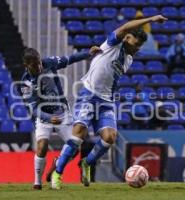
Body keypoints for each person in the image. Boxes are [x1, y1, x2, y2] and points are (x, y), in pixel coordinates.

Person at [51, 14, 167, 188]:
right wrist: (150, 20)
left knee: (109, 137)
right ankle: (58, 172)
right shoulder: (113, 44)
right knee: (79, 132)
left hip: (106, 101)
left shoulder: (128, 58)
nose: (137, 49)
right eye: (136, 44)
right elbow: (126, 26)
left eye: (139, 46)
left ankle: (87, 162)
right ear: (127, 38)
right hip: (88, 95)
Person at [18, 46, 101, 190]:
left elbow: (69, 59)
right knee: (42, 146)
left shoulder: (49, 63)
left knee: (75, 147)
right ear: (26, 65)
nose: (39, 66)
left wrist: (87, 54)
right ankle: (37, 182)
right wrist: (48, 118)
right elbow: (33, 109)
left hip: (62, 112)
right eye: (34, 64)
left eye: (39, 62)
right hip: (44, 117)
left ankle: (56, 165)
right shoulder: (25, 83)